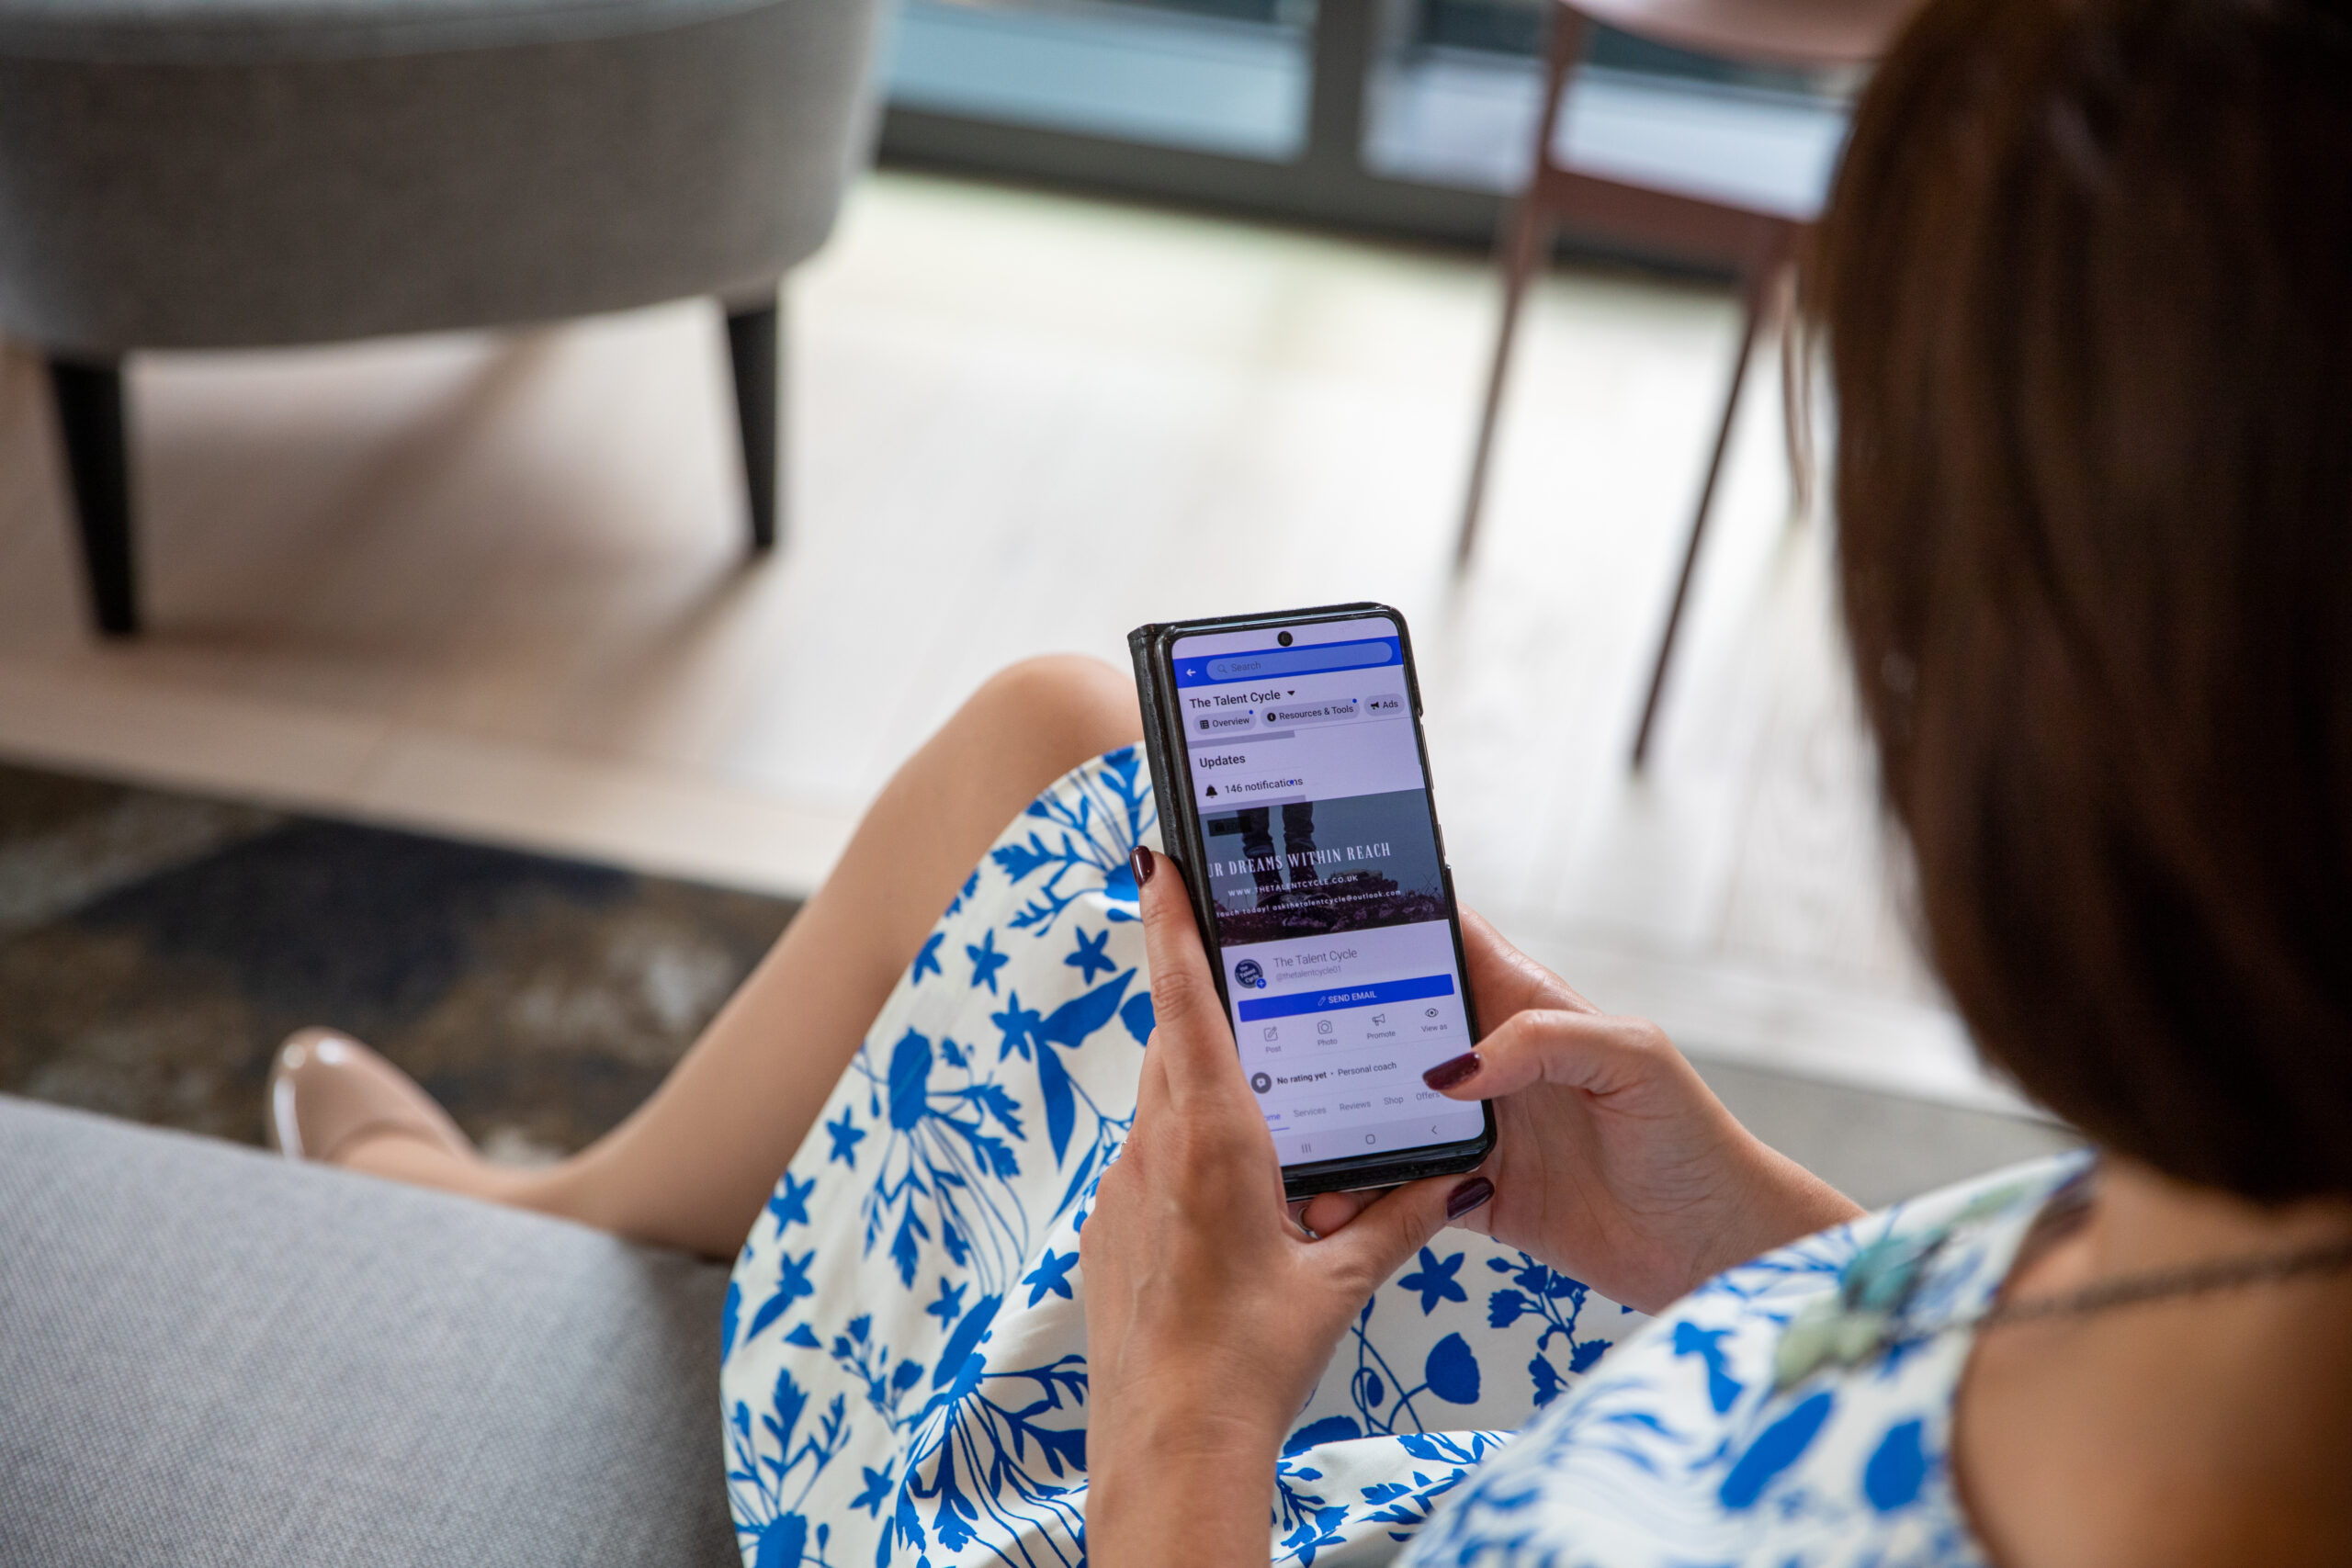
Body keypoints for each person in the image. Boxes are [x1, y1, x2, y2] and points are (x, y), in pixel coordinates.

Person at [266, 0, 2352, 1562]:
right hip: (1674, 1373)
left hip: (1204, 1507)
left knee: (1091, 850)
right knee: (1082, 763)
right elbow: (2093, 1324)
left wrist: (1181, 1415)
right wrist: (1764, 1247)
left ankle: (530, 1231)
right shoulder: (2265, 1265)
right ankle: (553, 1209)